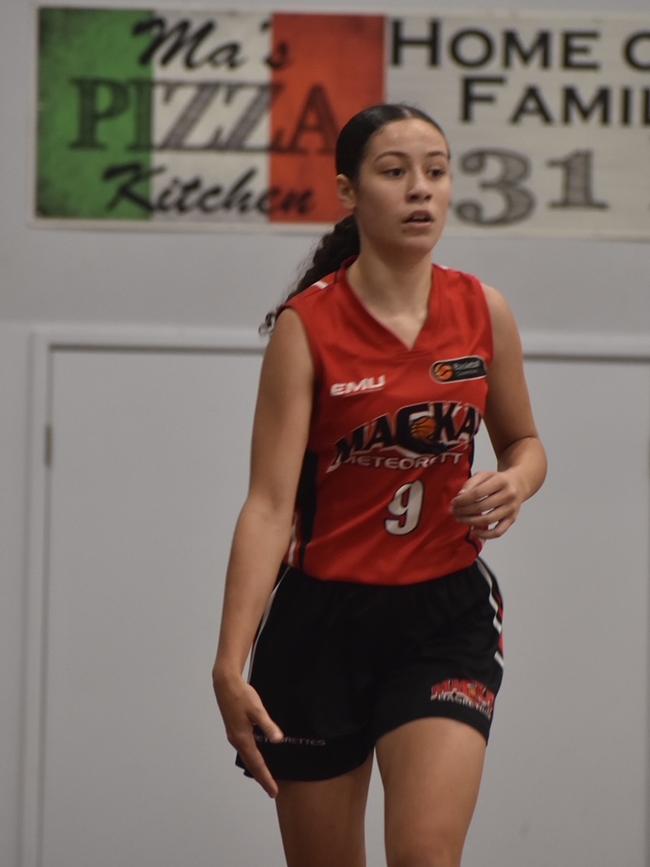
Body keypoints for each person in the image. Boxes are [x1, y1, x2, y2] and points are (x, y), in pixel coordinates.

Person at [212, 102, 547, 867]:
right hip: (321, 623)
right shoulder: (307, 329)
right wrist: (229, 661)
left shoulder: (483, 310)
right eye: (395, 173)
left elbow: (525, 442)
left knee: (427, 856)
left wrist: (516, 482)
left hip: (443, 615)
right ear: (348, 192)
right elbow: (268, 506)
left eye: (435, 170)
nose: (420, 189)